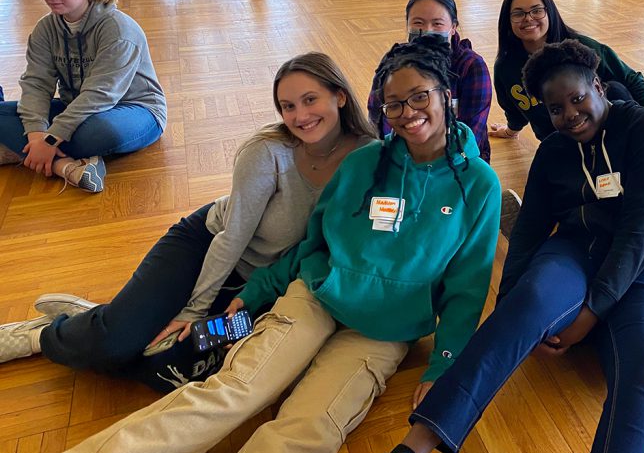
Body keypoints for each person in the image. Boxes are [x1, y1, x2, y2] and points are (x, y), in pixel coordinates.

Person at [20, 38, 501, 453]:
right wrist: (256, 292)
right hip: (316, 297)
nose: (407, 113)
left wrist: (445, 362)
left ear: (446, 94)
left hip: (383, 333)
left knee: (309, 428)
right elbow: (313, 243)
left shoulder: (479, 185)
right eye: (394, 104)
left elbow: (467, 287)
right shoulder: (365, 163)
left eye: (419, 97)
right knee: (233, 390)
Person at [343, 39, 644, 453]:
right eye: (555, 108)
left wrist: (588, 317)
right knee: (530, 300)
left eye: (577, 99)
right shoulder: (554, 151)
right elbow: (529, 231)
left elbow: (640, 236)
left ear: (599, 87)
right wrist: (510, 311)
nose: (569, 114)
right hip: (577, 254)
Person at [0, 53, 376, 392]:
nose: (300, 116)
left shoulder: (368, 155)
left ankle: (106, 318)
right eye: (287, 106)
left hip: (263, 285)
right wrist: (194, 311)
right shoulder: (268, 153)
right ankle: (45, 335)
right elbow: (231, 238)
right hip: (206, 247)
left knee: (167, 369)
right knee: (116, 345)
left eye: (310, 100)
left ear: (339, 96)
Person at [0, 0, 167, 192]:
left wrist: (50, 138)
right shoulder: (45, 29)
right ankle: (67, 167)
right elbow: (37, 83)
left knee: (99, 132)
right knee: (14, 115)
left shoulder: (118, 30)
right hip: (75, 108)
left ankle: (23, 151)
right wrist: (37, 134)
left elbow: (101, 94)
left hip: (134, 110)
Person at [489, 0, 644, 143]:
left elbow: (636, 82)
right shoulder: (506, 67)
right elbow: (513, 109)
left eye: (537, 11)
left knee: (616, 88)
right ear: (508, 21)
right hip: (560, 144)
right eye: (518, 14)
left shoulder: (581, 48)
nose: (528, 18)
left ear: (550, 13)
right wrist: (511, 131)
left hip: (609, 136)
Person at [368, 0, 492, 162]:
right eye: (418, 23)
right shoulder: (393, 63)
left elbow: (473, 131)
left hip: (457, 161)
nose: (427, 30)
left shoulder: (471, 66)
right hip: (403, 159)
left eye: (437, 24)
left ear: (453, 28)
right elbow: (378, 117)